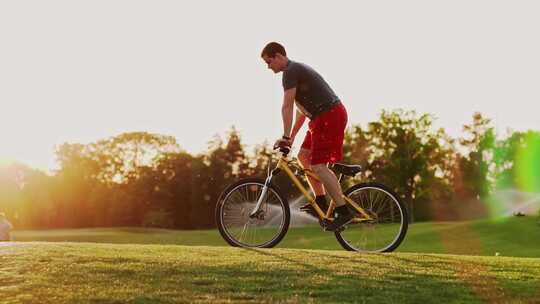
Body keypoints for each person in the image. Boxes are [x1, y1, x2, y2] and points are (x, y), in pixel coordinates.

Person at [261, 42, 354, 231]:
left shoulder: (290, 71)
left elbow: (286, 106)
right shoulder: (295, 71)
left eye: (269, 62)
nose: (268, 67)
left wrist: (286, 136)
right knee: (303, 156)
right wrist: (291, 137)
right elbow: (301, 112)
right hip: (321, 118)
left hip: (330, 116)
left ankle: (344, 212)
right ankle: (320, 201)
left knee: (319, 166)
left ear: (278, 56)